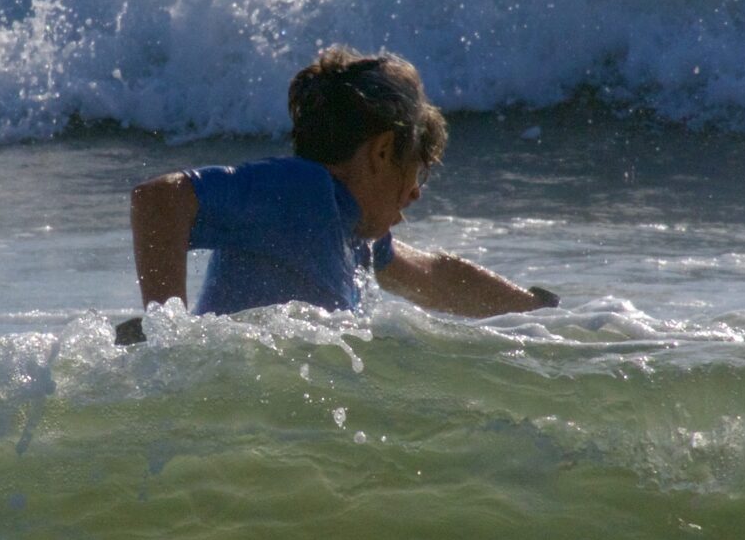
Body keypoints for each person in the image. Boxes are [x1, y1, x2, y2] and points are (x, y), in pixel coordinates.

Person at [119, 47, 554, 342]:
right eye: (415, 172)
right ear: (383, 151)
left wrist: (532, 310)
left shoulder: (353, 233)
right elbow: (159, 198)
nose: (416, 194)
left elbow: (432, 274)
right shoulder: (299, 190)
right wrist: (166, 334)